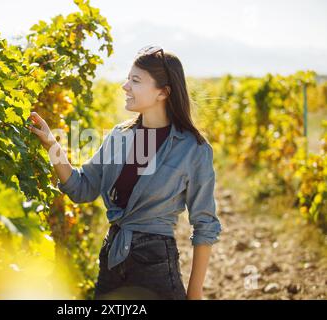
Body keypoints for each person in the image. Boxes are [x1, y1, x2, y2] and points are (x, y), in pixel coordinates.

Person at [27, 45, 222, 300]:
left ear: (163, 92)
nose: (125, 86)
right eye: (128, 78)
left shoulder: (193, 149)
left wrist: (195, 292)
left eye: (135, 80)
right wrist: (52, 145)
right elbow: (81, 188)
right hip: (112, 262)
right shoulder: (119, 136)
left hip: (156, 266)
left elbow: (204, 224)